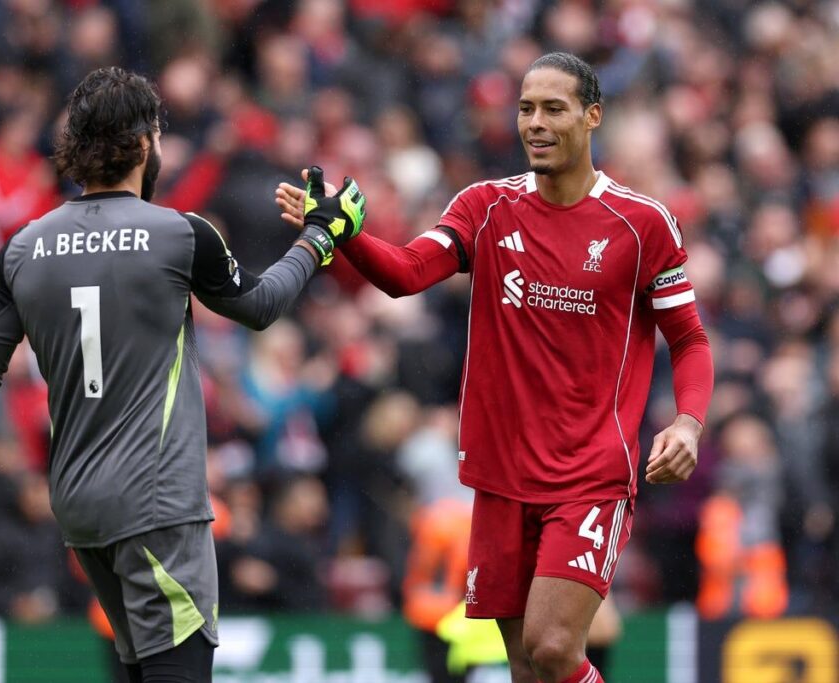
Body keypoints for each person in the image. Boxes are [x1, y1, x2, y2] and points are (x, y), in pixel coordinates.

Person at [0, 66, 366, 683]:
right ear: (143, 144)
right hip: (158, 506)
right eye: (158, 136)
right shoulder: (181, 235)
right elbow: (262, 306)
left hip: (80, 508)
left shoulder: (25, 248)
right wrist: (322, 237)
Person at [276, 52, 714, 683]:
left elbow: (691, 339)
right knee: (527, 668)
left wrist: (689, 423)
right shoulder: (485, 207)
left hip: (589, 471)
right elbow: (405, 274)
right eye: (526, 108)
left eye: (554, 108)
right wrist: (344, 232)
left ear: (593, 117)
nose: (535, 122)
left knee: (556, 648)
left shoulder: (641, 224)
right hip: (501, 472)